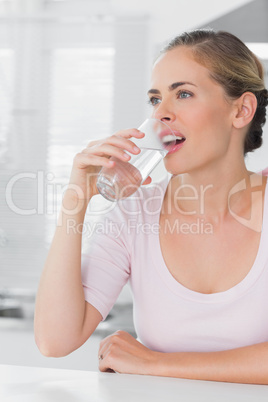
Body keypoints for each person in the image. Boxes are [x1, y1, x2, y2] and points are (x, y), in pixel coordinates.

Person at [34, 29, 268, 384]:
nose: (161, 114)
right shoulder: (133, 214)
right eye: (155, 99)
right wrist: (75, 201)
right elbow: (55, 340)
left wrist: (155, 363)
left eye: (184, 93)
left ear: (242, 110)